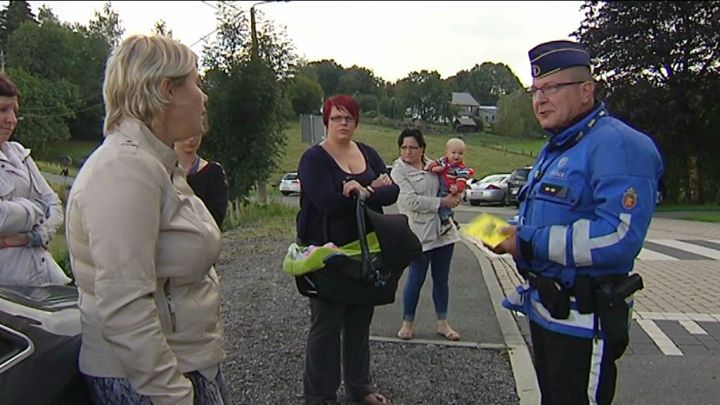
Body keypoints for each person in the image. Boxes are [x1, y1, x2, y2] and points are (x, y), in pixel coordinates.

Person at [489, 40, 663, 405]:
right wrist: (508, 232)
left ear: (587, 91)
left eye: (553, 88)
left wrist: (528, 241)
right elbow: (542, 213)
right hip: (544, 312)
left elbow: (618, 237)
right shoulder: (557, 148)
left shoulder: (619, 144)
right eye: (535, 90)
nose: (540, 99)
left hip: (585, 324)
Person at [65, 35, 226, 404]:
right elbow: (123, 302)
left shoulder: (157, 163)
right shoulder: (125, 169)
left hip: (181, 366)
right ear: (166, 90)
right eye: (196, 83)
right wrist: (171, 393)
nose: (203, 97)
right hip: (147, 382)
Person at [296, 94, 398, 405]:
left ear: (356, 122)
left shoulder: (367, 152)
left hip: (365, 252)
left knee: (359, 323)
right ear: (326, 120)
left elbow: (391, 190)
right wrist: (371, 191)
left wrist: (362, 191)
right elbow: (327, 202)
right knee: (326, 327)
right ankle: (320, 397)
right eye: (337, 117)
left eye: (349, 118)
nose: (343, 123)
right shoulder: (314, 158)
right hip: (326, 255)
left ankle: (360, 390)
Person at [390, 128, 463, 342]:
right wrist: (442, 203)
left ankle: (443, 323)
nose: (408, 152)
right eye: (404, 147)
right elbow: (408, 201)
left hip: (444, 231)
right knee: (416, 278)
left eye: (413, 147)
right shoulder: (399, 171)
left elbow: (449, 184)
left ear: (422, 149)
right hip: (418, 233)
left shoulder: (435, 167)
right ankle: (407, 323)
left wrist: (455, 194)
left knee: (441, 279)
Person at [0, 72, 71, 287]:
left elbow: (55, 205)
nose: (12, 119)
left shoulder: (19, 153)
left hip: (45, 272)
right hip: (9, 283)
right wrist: (35, 208)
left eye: (14, 111)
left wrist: (27, 238)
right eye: (2, 110)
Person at [175, 134, 229, 227]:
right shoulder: (161, 171)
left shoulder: (214, 172)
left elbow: (216, 218)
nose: (191, 138)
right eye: (186, 131)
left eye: (195, 132)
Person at [425, 137, 474, 234]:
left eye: (460, 153)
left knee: (442, 205)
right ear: (447, 152)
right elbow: (433, 164)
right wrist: (434, 168)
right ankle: (451, 219)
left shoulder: (461, 168)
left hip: (450, 189)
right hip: (441, 186)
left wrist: (457, 187)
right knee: (446, 206)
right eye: (453, 153)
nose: (456, 156)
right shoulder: (443, 161)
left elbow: (462, 180)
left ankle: (445, 222)